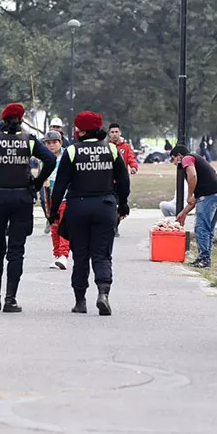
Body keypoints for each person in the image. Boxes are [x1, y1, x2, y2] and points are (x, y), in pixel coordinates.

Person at [0, 103, 56, 313]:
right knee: (16, 251)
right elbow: (51, 159)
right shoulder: (29, 140)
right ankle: (10, 299)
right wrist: (37, 184)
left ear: (3, 120)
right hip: (22, 199)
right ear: (21, 120)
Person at [49, 111, 130, 315]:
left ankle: (80, 301)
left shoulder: (72, 151)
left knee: (81, 256)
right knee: (102, 254)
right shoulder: (111, 150)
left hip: (78, 207)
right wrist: (123, 204)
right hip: (105, 206)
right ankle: (103, 293)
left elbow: (60, 185)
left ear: (82, 130)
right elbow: (123, 181)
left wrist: (54, 211)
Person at [171, 143, 217, 269]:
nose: (174, 163)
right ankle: (206, 258)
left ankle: (204, 259)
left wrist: (189, 194)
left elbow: (192, 175)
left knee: (201, 227)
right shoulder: (198, 160)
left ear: (178, 156)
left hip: (208, 196)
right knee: (208, 229)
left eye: (173, 159)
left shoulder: (187, 158)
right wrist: (184, 212)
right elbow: (196, 198)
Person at [39, 130, 70, 271]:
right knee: (54, 226)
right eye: (48, 143)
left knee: (64, 225)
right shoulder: (45, 159)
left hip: (65, 197)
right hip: (50, 198)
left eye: (54, 142)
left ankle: (64, 255)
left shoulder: (67, 156)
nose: (51, 145)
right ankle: (56, 254)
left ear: (60, 143)